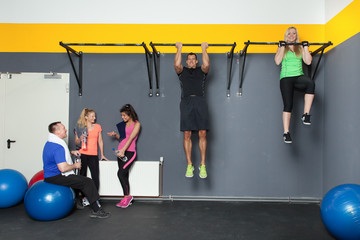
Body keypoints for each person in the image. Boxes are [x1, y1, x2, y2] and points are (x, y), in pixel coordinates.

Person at [43, 121, 110, 218]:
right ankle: (96, 210)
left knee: (78, 180)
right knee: (87, 182)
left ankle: (77, 203)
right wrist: (75, 165)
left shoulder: (50, 143)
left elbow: (56, 157)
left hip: (49, 176)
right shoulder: (58, 147)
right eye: (63, 129)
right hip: (57, 177)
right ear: (57, 132)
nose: (66, 130)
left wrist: (71, 152)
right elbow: (63, 168)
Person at [174, 42, 210, 178]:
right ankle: (189, 165)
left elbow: (207, 65)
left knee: (202, 133)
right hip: (186, 102)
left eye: (193, 59)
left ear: (196, 61)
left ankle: (203, 165)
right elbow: (177, 65)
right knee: (187, 134)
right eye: (188, 59)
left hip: (200, 101)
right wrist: (179, 48)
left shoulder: (202, 71)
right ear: (187, 62)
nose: (191, 61)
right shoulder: (182, 72)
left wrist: (203, 49)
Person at [274, 26, 314, 143]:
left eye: (294, 34)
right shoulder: (282, 47)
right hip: (286, 78)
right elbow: (277, 61)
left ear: (296, 36)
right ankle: (286, 132)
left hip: (298, 76)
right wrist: (281, 47)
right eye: (289, 34)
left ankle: (306, 114)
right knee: (288, 105)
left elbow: (308, 61)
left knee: (311, 83)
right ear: (286, 35)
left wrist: (305, 47)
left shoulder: (300, 48)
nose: (291, 35)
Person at [107, 104, 140, 208]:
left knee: (120, 173)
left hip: (129, 152)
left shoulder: (136, 124)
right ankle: (126, 198)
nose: (123, 117)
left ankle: (127, 196)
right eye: (122, 115)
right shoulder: (123, 125)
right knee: (124, 175)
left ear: (130, 114)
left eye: (124, 115)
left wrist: (123, 150)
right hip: (120, 151)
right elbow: (123, 139)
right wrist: (116, 135)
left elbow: (130, 139)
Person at [74, 108, 108, 206]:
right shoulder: (80, 128)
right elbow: (76, 142)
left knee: (95, 177)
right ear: (86, 117)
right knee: (82, 177)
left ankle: (94, 198)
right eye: (92, 116)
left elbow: (100, 141)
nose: (94, 118)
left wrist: (102, 154)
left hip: (93, 155)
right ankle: (82, 198)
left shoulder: (97, 127)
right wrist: (79, 139)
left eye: (94, 116)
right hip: (82, 154)